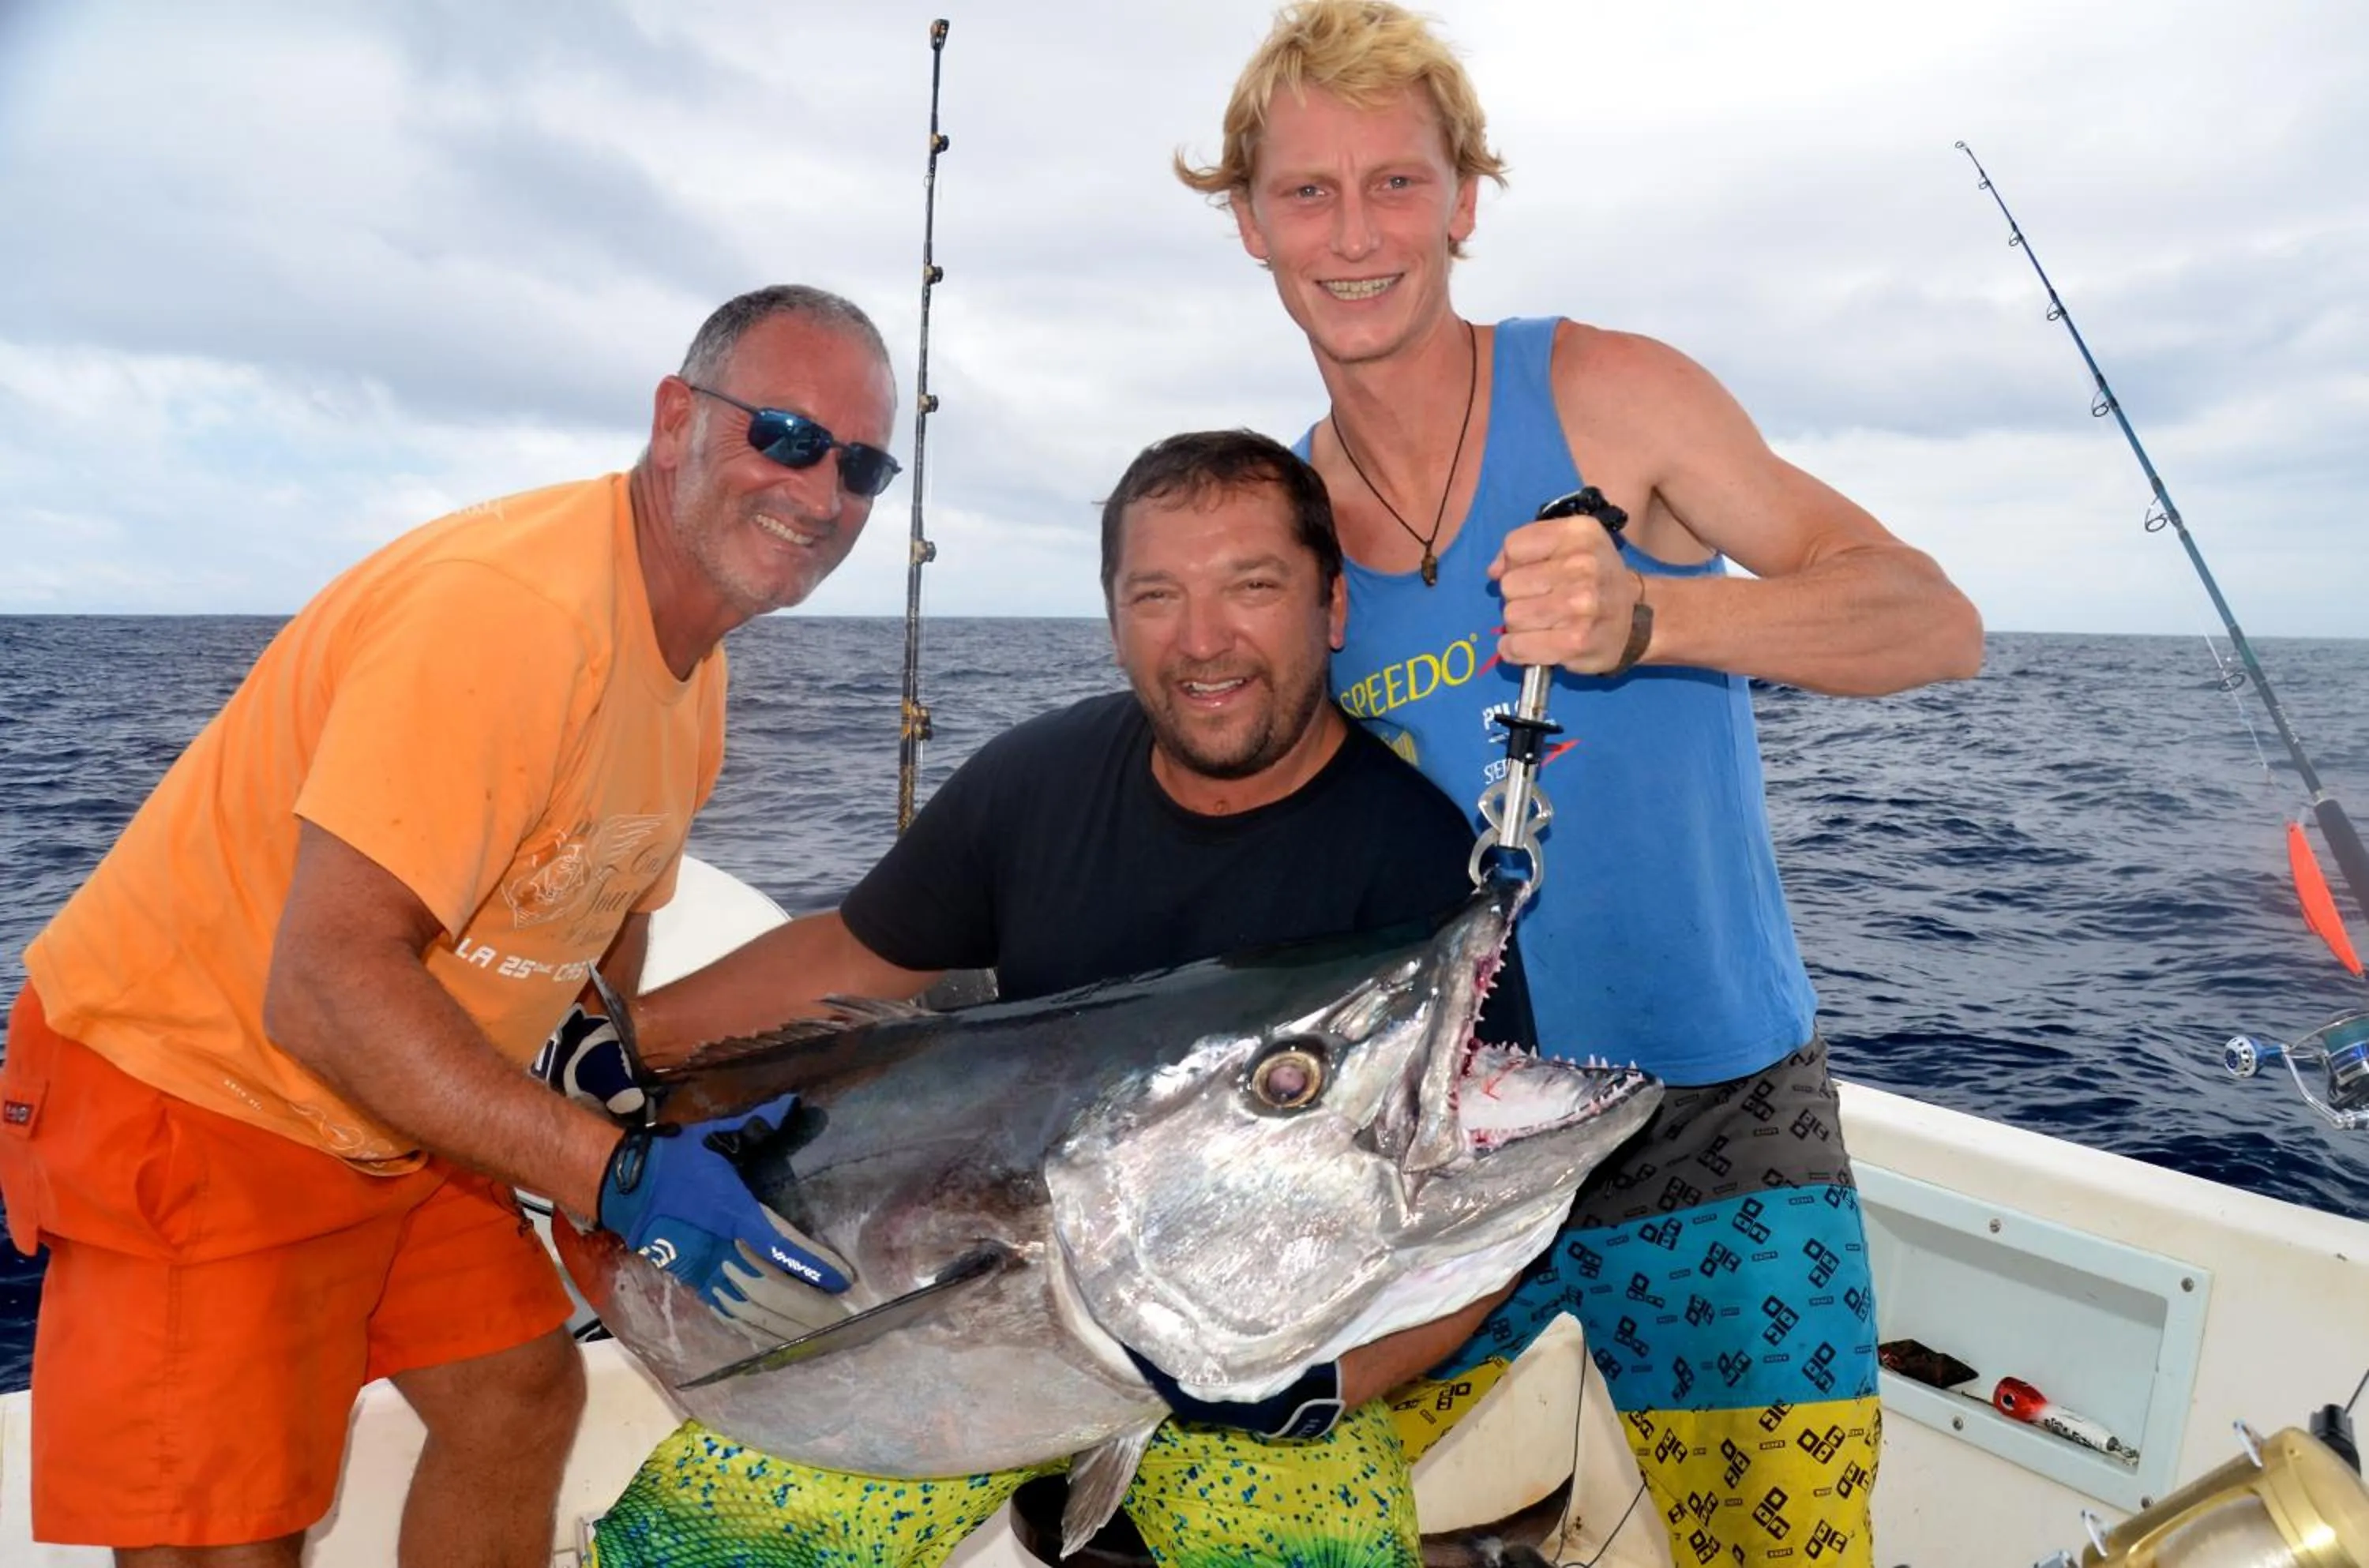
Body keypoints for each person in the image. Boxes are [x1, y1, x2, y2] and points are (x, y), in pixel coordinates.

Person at [1176, 6, 1986, 1563]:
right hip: (1447, 1155)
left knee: (1790, 1552)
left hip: (1715, 1123)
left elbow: (1934, 623)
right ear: (1251, 223)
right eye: (1309, 193)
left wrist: (1659, 617)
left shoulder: (1614, 392)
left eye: (1397, 184)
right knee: (1230, 1494)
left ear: (1466, 200)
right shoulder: (1283, 525)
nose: (1357, 235)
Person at [0, 283, 900, 1566]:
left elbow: (600, 929)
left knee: (520, 1400)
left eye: (861, 465)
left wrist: (623, 1103)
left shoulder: (695, 674)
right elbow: (318, 984)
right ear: (674, 422)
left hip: (396, 1108)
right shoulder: (513, 614)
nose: (820, 494)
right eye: (787, 436)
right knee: (235, 1532)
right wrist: (607, 1173)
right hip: (201, 1088)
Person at [552, 430, 1533, 1568]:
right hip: (968, 1339)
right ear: (1114, 618)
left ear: (1333, 606)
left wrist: (1323, 1389)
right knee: (718, 1540)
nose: (1203, 639)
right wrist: (589, 1064)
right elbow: (855, 950)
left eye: (1252, 586)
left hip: (1261, 1368)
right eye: (1156, 594)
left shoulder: (1413, 858)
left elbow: (1488, 1208)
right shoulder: (1038, 782)